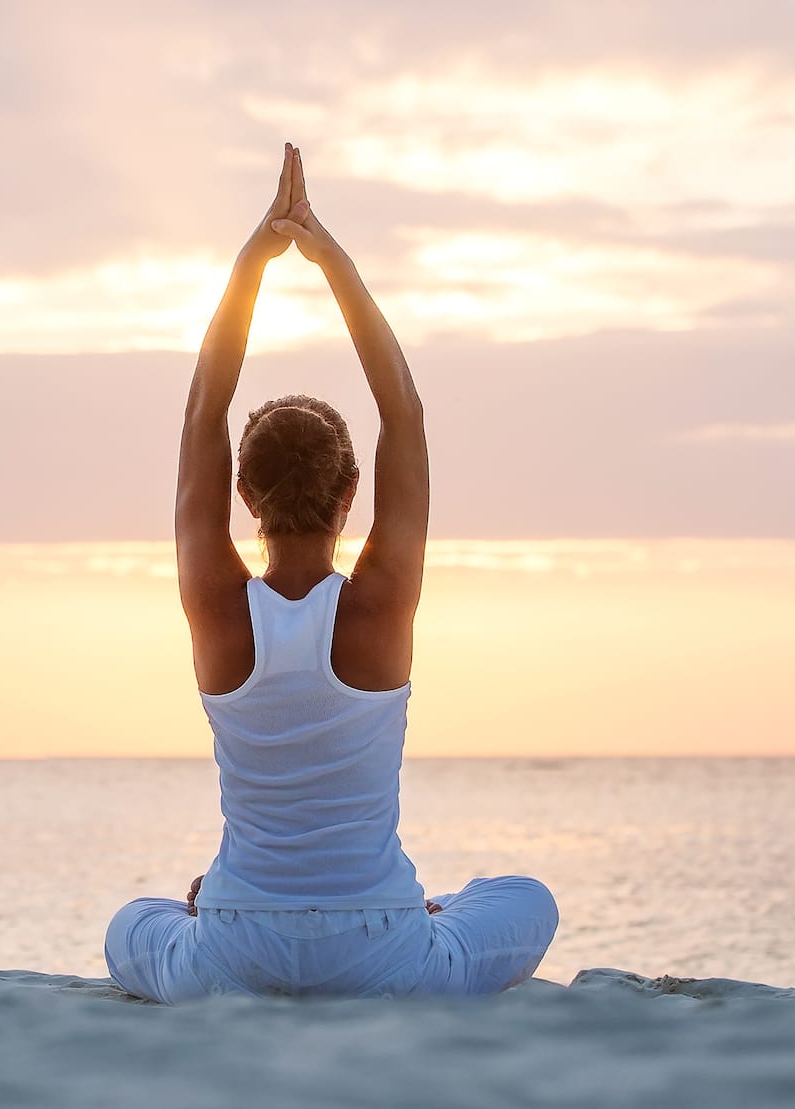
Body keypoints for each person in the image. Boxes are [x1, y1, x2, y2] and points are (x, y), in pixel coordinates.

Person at [103, 143, 559, 1003]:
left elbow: (205, 404)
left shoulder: (216, 608)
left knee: (130, 923)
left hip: (235, 947)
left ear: (244, 494)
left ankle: (235, 903)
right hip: (381, 949)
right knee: (527, 899)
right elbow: (405, 410)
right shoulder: (382, 605)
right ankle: (423, 908)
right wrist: (329, 257)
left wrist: (255, 261)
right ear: (353, 490)